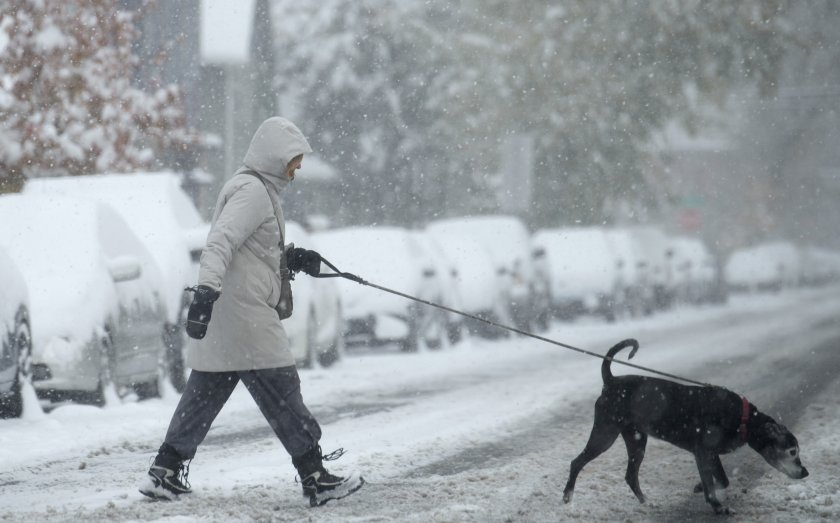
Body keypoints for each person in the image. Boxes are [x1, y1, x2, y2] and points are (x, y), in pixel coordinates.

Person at [139, 117, 364, 507]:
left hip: (232, 316)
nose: (298, 169)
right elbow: (219, 244)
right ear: (275, 157)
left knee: (204, 394)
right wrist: (205, 291)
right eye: (294, 160)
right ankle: (315, 475)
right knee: (282, 389)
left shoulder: (256, 190)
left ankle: (166, 469)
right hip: (245, 316)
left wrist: (289, 256)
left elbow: (248, 249)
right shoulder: (253, 192)